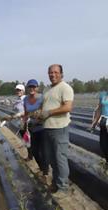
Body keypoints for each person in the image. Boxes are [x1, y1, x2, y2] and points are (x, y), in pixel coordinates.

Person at [39, 64, 74, 197]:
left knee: (60, 158)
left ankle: (63, 187)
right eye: (50, 73)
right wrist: (40, 113)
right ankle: (55, 182)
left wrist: (49, 113)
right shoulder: (47, 89)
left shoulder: (65, 88)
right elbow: (44, 106)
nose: (52, 75)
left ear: (61, 74)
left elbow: (67, 107)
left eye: (55, 72)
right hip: (47, 128)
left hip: (60, 128)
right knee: (52, 158)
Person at [23, 80, 49, 180]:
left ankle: (45, 173)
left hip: (42, 128)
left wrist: (39, 116)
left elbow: (45, 112)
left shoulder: (42, 98)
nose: (32, 89)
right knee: (34, 151)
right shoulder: (25, 99)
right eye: (30, 87)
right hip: (31, 128)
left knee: (44, 151)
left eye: (34, 87)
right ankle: (42, 168)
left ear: (37, 88)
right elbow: (26, 113)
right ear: (27, 88)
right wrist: (24, 123)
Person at [91, 91, 108, 167]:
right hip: (103, 122)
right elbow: (99, 109)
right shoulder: (103, 95)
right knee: (103, 145)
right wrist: (94, 123)